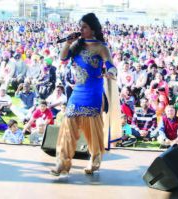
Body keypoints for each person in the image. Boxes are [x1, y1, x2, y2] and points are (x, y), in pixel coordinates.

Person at [52, 13, 118, 176]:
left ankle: (95, 161)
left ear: (93, 29)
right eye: (80, 26)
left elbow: (111, 65)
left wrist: (110, 72)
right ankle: (62, 163)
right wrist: (67, 43)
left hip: (93, 91)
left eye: (84, 27)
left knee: (93, 131)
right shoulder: (77, 44)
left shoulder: (101, 47)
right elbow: (63, 58)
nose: (80, 29)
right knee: (68, 127)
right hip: (78, 92)